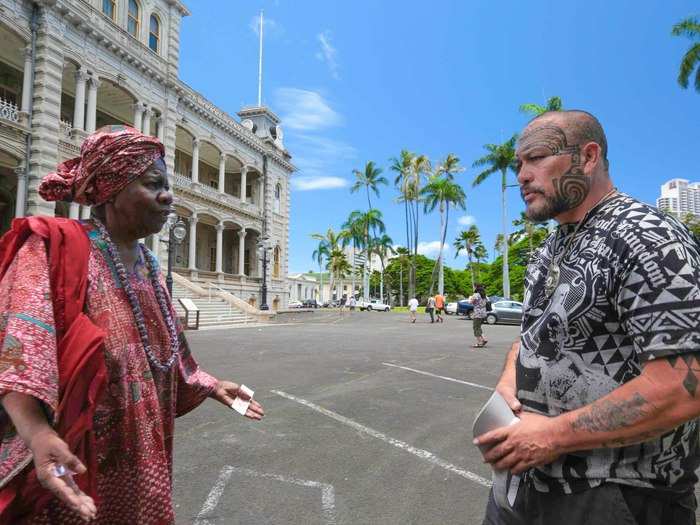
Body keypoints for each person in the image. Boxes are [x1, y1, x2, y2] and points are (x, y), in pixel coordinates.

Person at [0, 126, 265, 524]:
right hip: (74, 459)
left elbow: (166, 354)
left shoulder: (150, 268)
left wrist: (211, 384)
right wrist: (37, 433)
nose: (168, 196)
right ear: (111, 189)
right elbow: (18, 350)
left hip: (144, 459)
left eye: (167, 184)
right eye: (153, 184)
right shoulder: (55, 249)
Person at [477, 110, 700, 525]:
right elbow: (534, 337)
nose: (522, 175)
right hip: (527, 484)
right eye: (518, 164)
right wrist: (510, 380)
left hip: (616, 497)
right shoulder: (548, 249)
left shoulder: (648, 237)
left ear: (589, 156)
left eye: (536, 157)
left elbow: (684, 386)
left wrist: (552, 435)